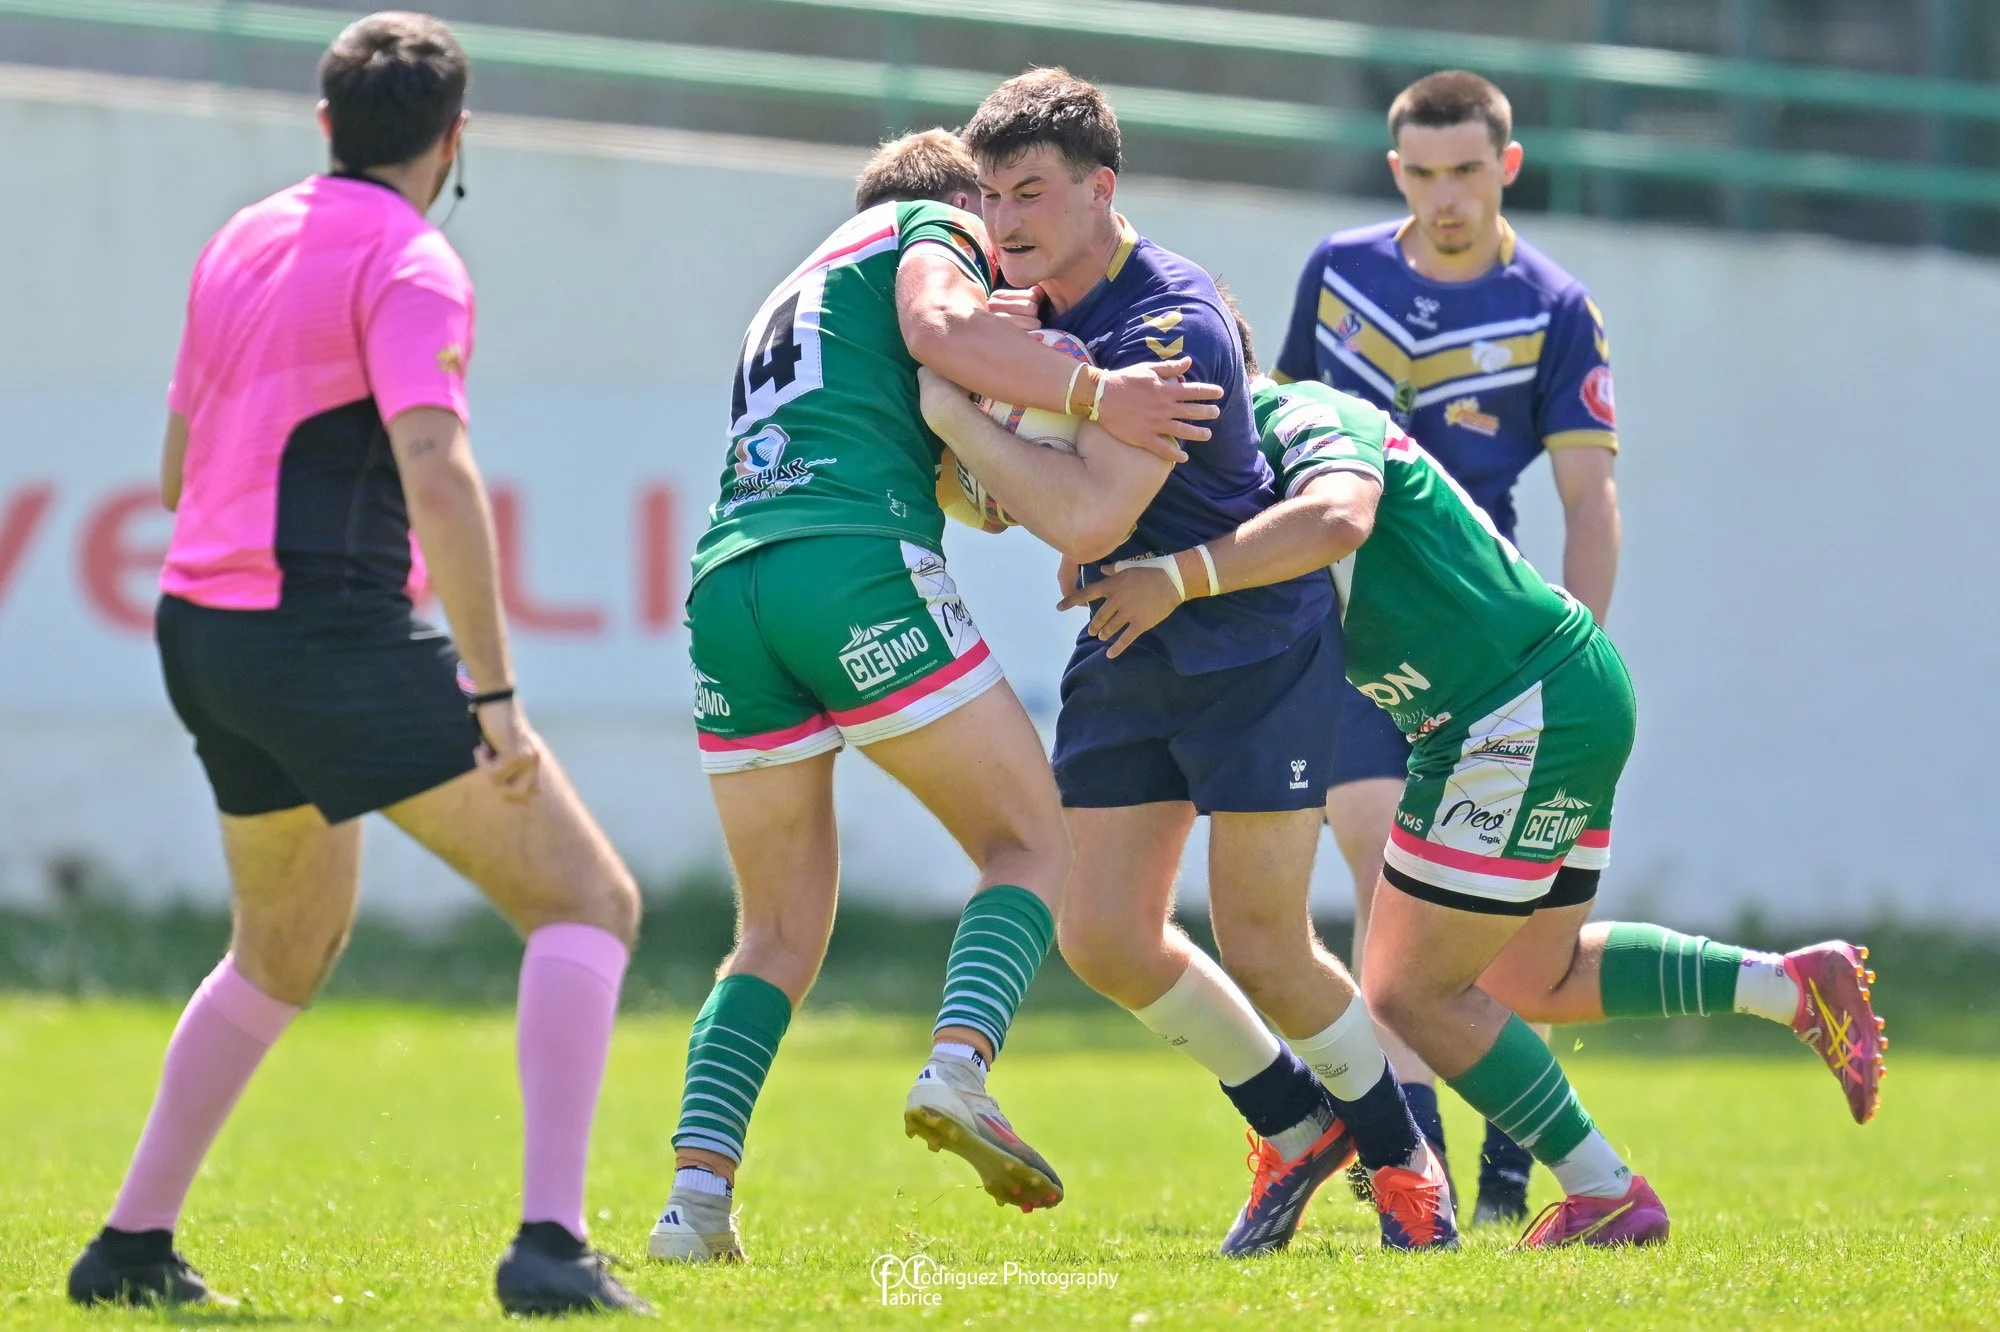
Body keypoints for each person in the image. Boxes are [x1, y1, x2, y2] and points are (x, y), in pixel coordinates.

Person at [64, 13, 649, 1315]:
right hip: (324, 633)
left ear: (327, 124)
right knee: (587, 903)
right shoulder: (414, 259)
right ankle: (551, 1248)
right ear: (454, 137)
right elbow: (438, 470)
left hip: (202, 636)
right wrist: (494, 695)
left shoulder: (240, 238)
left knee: (280, 952)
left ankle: (129, 1249)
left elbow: (174, 475)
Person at [1073, 325, 1887, 1248]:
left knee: (1408, 991)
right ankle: (1791, 987)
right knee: (1531, 975)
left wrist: (1179, 576)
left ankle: (1606, 1191)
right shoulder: (1220, 474)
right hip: (1539, 694)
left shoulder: (1294, 414)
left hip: (1512, 708)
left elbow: (1341, 514)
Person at [646, 128, 1218, 1265]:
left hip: (727, 587)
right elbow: (938, 329)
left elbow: (939, 448)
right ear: (960, 199)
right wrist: (1094, 393)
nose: (1000, 235)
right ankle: (960, 1067)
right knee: (1032, 844)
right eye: (989, 212)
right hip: (849, 564)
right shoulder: (928, 227)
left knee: (773, 933)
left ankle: (694, 1205)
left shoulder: (801, 287)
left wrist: (987, 435)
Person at [919, 68, 1457, 1255]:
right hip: (1127, 645)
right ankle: (1291, 1124)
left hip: (1252, 652)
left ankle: (1400, 1157)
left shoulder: (1168, 322)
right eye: (990, 196)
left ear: (1099, 189)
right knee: (1102, 935)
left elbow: (1086, 515)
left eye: (1029, 192)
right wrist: (992, 455)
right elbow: (999, 507)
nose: (1003, 220)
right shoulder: (1028, 316)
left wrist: (958, 418)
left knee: (1263, 943)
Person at [1272, 69, 1624, 1222]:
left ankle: (1502, 1168)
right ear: (1395, 172)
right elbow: (1278, 433)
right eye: (1421, 175)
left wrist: (1569, 661)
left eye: (1466, 171)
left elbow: (1588, 499)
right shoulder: (1338, 272)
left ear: (1506, 166)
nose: (1445, 198)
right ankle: (1415, 1161)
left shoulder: (1553, 306)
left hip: (1487, 637)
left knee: (1494, 925)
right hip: (1354, 635)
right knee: (1383, 871)